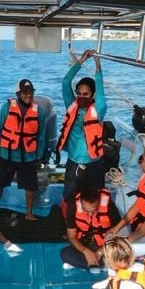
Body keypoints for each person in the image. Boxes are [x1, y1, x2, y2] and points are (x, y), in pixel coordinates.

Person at [0, 78, 48, 220]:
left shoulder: (39, 111)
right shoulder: (7, 107)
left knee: (31, 186)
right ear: (18, 94)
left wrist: (39, 156)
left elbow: (41, 136)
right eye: (24, 93)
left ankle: (29, 213)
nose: (28, 95)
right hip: (7, 155)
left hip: (28, 156)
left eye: (30, 92)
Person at [57, 48, 107, 203]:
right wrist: (81, 61)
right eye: (78, 93)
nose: (81, 96)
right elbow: (66, 82)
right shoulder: (72, 105)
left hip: (94, 163)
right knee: (70, 197)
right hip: (74, 161)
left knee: (94, 198)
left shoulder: (98, 109)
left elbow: (101, 93)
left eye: (85, 94)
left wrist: (98, 67)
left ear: (92, 95)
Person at [61, 179, 121, 270]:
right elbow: (71, 237)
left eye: (94, 210)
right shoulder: (73, 206)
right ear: (80, 202)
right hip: (84, 245)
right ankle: (102, 265)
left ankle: (92, 264)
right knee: (65, 253)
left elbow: (118, 232)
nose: (90, 214)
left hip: (105, 245)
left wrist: (102, 251)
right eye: (86, 211)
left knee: (120, 252)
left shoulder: (108, 204)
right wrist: (85, 251)